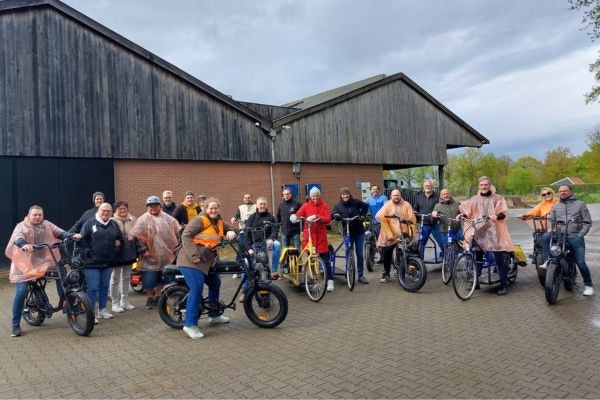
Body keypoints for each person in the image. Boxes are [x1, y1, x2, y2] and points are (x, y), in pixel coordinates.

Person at [5, 205, 81, 337]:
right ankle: (15, 324)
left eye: (40, 215)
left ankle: (66, 302)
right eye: (35, 215)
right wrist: (24, 244)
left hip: (43, 262)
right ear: (29, 215)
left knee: (62, 273)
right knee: (22, 291)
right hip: (24, 265)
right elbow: (18, 237)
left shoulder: (46, 224)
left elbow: (59, 232)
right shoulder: (22, 226)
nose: (37, 217)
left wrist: (72, 235)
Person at [177, 197, 237, 339]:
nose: (213, 210)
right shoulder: (199, 220)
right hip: (191, 261)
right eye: (211, 208)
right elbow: (186, 236)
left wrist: (232, 232)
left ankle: (214, 314)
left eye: (216, 208)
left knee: (215, 283)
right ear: (206, 209)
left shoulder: (219, 221)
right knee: (197, 287)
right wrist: (193, 255)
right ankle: (190, 325)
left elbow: (232, 229)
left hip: (206, 261)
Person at [459, 176, 514, 295]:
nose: (483, 187)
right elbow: (467, 211)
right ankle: (476, 283)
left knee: (499, 259)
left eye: (486, 185)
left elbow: (503, 212)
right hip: (479, 232)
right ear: (479, 186)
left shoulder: (497, 198)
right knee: (477, 258)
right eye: (481, 185)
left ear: (490, 185)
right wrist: (462, 215)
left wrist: (499, 216)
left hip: (494, 233)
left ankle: (503, 285)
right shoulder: (474, 199)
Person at [541, 184, 593, 296]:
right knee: (546, 238)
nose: (563, 192)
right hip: (560, 235)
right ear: (558, 193)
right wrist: (550, 228)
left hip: (575, 236)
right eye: (561, 191)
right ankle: (547, 261)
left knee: (581, 262)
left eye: (565, 190)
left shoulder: (580, 204)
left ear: (570, 191)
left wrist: (580, 235)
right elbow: (551, 220)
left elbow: (588, 222)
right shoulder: (556, 206)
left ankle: (588, 285)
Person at [131, 195, 181, 309]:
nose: (153, 208)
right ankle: (150, 298)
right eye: (150, 206)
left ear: (159, 206)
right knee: (149, 278)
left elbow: (177, 230)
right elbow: (136, 236)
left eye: (155, 206)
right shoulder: (142, 219)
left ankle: (158, 297)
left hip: (165, 254)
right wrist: (143, 250)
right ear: (147, 207)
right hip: (149, 255)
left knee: (162, 277)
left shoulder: (167, 218)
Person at [79, 203, 124, 320]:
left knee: (104, 287)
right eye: (103, 210)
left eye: (108, 211)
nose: (106, 213)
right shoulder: (90, 223)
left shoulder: (113, 224)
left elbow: (120, 238)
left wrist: (118, 245)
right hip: (92, 263)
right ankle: (91, 313)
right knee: (92, 288)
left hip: (108, 262)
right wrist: (89, 252)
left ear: (111, 213)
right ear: (98, 211)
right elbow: (82, 240)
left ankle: (102, 310)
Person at [292, 187, 333, 290]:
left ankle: (330, 281)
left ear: (319, 196)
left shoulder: (324, 206)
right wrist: (294, 217)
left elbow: (328, 219)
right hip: (309, 237)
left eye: (317, 195)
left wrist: (316, 216)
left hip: (320, 237)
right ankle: (316, 280)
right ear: (310, 196)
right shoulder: (306, 206)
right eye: (313, 196)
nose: (315, 197)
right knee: (312, 260)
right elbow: (298, 214)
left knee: (325, 260)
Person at [110, 200, 146, 313]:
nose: (122, 210)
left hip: (130, 252)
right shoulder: (111, 221)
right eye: (120, 209)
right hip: (117, 254)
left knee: (126, 278)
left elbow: (137, 235)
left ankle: (124, 302)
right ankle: (114, 303)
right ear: (115, 210)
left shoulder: (133, 219)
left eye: (124, 208)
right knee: (115, 279)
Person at [375, 189, 417, 283]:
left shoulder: (406, 205)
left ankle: (412, 270)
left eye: (397, 195)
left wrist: (411, 234)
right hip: (391, 235)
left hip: (404, 233)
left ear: (400, 195)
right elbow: (383, 221)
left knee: (410, 251)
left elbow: (412, 220)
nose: (396, 197)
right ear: (391, 196)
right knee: (387, 253)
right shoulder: (387, 205)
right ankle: (386, 272)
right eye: (394, 195)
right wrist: (390, 235)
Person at [331, 187, 370, 284]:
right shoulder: (338, 205)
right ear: (341, 195)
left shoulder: (356, 202)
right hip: (347, 232)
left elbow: (365, 206)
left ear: (349, 194)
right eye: (343, 194)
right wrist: (336, 215)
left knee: (360, 255)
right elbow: (333, 213)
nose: (345, 196)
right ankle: (349, 272)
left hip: (359, 232)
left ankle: (360, 275)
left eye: (347, 194)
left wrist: (362, 216)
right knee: (348, 253)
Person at [244, 197, 282, 282]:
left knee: (278, 245)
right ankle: (245, 288)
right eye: (260, 204)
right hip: (254, 243)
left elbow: (275, 230)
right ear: (257, 205)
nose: (262, 206)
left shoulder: (270, 217)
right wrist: (249, 248)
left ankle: (274, 270)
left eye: (264, 204)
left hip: (266, 241)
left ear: (266, 205)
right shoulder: (252, 217)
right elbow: (246, 234)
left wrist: (272, 239)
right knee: (247, 264)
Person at [413, 180, 445, 258]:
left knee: (442, 242)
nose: (428, 187)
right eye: (426, 185)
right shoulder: (419, 197)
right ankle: (420, 262)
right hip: (424, 225)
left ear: (432, 186)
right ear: (423, 187)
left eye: (429, 185)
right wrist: (414, 212)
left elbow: (442, 207)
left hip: (435, 224)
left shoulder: (437, 197)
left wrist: (438, 213)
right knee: (421, 243)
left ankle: (446, 258)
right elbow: (415, 208)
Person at [366, 184, 387, 263]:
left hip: (381, 222)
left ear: (378, 190)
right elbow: (363, 207)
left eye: (376, 189)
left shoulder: (383, 198)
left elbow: (386, 207)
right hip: (372, 222)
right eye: (373, 189)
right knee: (369, 238)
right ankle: (370, 253)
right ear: (371, 190)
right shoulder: (368, 199)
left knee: (381, 240)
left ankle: (384, 257)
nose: (375, 191)